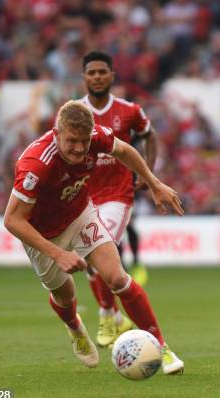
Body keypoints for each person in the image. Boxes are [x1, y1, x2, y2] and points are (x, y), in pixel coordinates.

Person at [3, 101, 185, 374]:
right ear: (56, 132)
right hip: (43, 235)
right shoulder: (36, 164)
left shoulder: (96, 137)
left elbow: (125, 150)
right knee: (64, 297)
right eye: (71, 141)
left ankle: (162, 347)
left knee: (117, 278)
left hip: (80, 216)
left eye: (84, 141)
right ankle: (75, 327)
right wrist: (58, 253)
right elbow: (12, 220)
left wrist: (154, 182)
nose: (78, 148)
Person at [79, 50, 154, 348]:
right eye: (91, 72)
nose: (97, 77)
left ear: (112, 75)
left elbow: (149, 136)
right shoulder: (74, 113)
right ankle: (115, 317)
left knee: (100, 249)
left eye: (102, 72)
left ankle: (107, 315)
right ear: (84, 77)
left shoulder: (129, 111)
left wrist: (148, 173)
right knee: (89, 260)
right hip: (83, 196)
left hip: (117, 195)